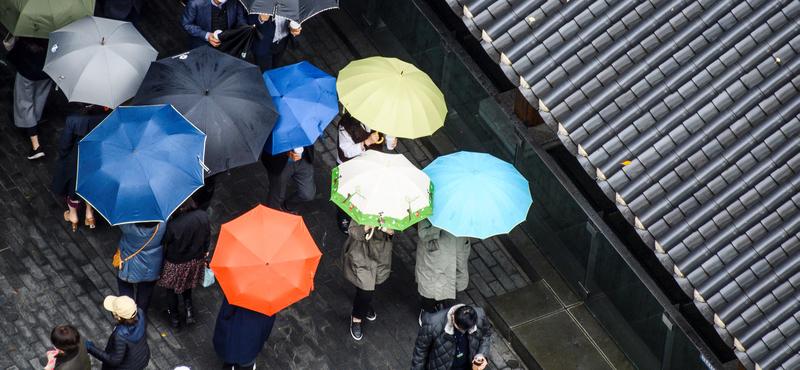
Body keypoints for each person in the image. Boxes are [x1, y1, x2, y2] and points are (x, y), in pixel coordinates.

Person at [335, 113, 397, 233]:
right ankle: (343, 216)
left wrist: (391, 141)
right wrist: (366, 142)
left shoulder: (383, 119)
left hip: (370, 163)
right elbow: (346, 151)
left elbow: (389, 145)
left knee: (363, 190)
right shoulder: (346, 124)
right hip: (349, 165)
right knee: (345, 193)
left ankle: (361, 215)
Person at [51, 104, 108, 232]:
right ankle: (89, 215)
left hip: (76, 160)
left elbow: (64, 147)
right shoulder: (109, 117)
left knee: (73, 187)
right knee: (91, 185)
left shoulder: (74, 120)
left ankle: (73, 216)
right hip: (99, 159)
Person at [157, 199, 210, 328]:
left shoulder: (173, 225)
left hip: (175, 262)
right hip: (195, 260)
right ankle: (189, 311)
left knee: (171, 290)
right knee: (188, 285)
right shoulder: (202, 216)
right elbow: (207, 236)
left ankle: (174, 317)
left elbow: (164, 241)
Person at [342, 220, 394, 341]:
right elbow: (352, 231)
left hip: (380, 256)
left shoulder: (393, 211)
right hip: (361, 255)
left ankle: (363, 305)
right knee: (366, 291)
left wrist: (387, 230)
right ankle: (356, 318)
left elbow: (393, 232)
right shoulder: (364, 209)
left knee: (366, 288)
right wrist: (366, 227)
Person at [415, 219, 472, 322]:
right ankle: (427, 312)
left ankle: (440, 304)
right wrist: (440, 223)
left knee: (450, 285)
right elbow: (423, 233)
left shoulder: (466, 208)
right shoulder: (432, 207)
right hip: (435, 256)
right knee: (430, 291)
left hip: (457, 251)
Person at [6, 36, 52, 160]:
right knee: (40, 99)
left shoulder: (31, 28)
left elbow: (12, 47)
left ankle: (36, 145)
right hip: (48, 70)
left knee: (24, 102)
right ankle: (33, 122)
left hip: (28, 69)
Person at [411, 304, 492, 370]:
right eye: (459, 329)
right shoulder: (432, 323)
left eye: (466, 330)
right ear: (453, 317)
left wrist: (482, 354)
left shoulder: (480, 314)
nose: (462, 332)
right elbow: (420, 351)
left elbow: (486, 335)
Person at [86, 295, 150, 370]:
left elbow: (114, 360)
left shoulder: (120, 335)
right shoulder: (140, 313)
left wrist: (90, 348)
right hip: (142, 359)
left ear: (118, 317)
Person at [213, 297, 276, 370]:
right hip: (251, 344)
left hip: (232, 338)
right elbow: (267, 326)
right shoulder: (271, 301)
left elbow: (226, 312)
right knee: (246, 363)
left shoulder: (236, 290)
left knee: (230, 358)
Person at [117, 222, 167, 313]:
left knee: (125, 287)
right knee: (145, 293)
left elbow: (120, 219)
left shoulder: (128, 227)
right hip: (152, 266)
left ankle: (127, 313)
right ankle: (140, 317)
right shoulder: (162, 225)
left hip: (130, 267)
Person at [261, 145, 315, 213]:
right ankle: (272, 216)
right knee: (276, 197)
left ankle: (287, 207)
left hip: (304, 158)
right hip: (280, 164)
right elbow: (268, 145)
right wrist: (286, 152)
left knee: (307, 194)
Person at [181, 0, 248, 49]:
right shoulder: (195, 3)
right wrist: (207, 35)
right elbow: (186, 24)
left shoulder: (236, 2)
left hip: (227, 45)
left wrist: (246, 29)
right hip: (202, 46)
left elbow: (241, 21)